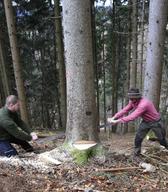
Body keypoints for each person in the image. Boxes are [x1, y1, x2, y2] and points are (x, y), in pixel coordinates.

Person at [107, 88, 168, 157]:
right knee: (138, 138)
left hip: (156, 122)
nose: (132, 100)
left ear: (138, 97)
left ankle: (166, 150)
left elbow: (132, 116)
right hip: (146, 122)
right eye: (130, 98)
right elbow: (124, 110)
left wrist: (117, 121)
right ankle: (136, 155)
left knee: (162, 139)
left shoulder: (144, 104)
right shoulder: (133, 102)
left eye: (133, 98)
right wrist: (114, 117)